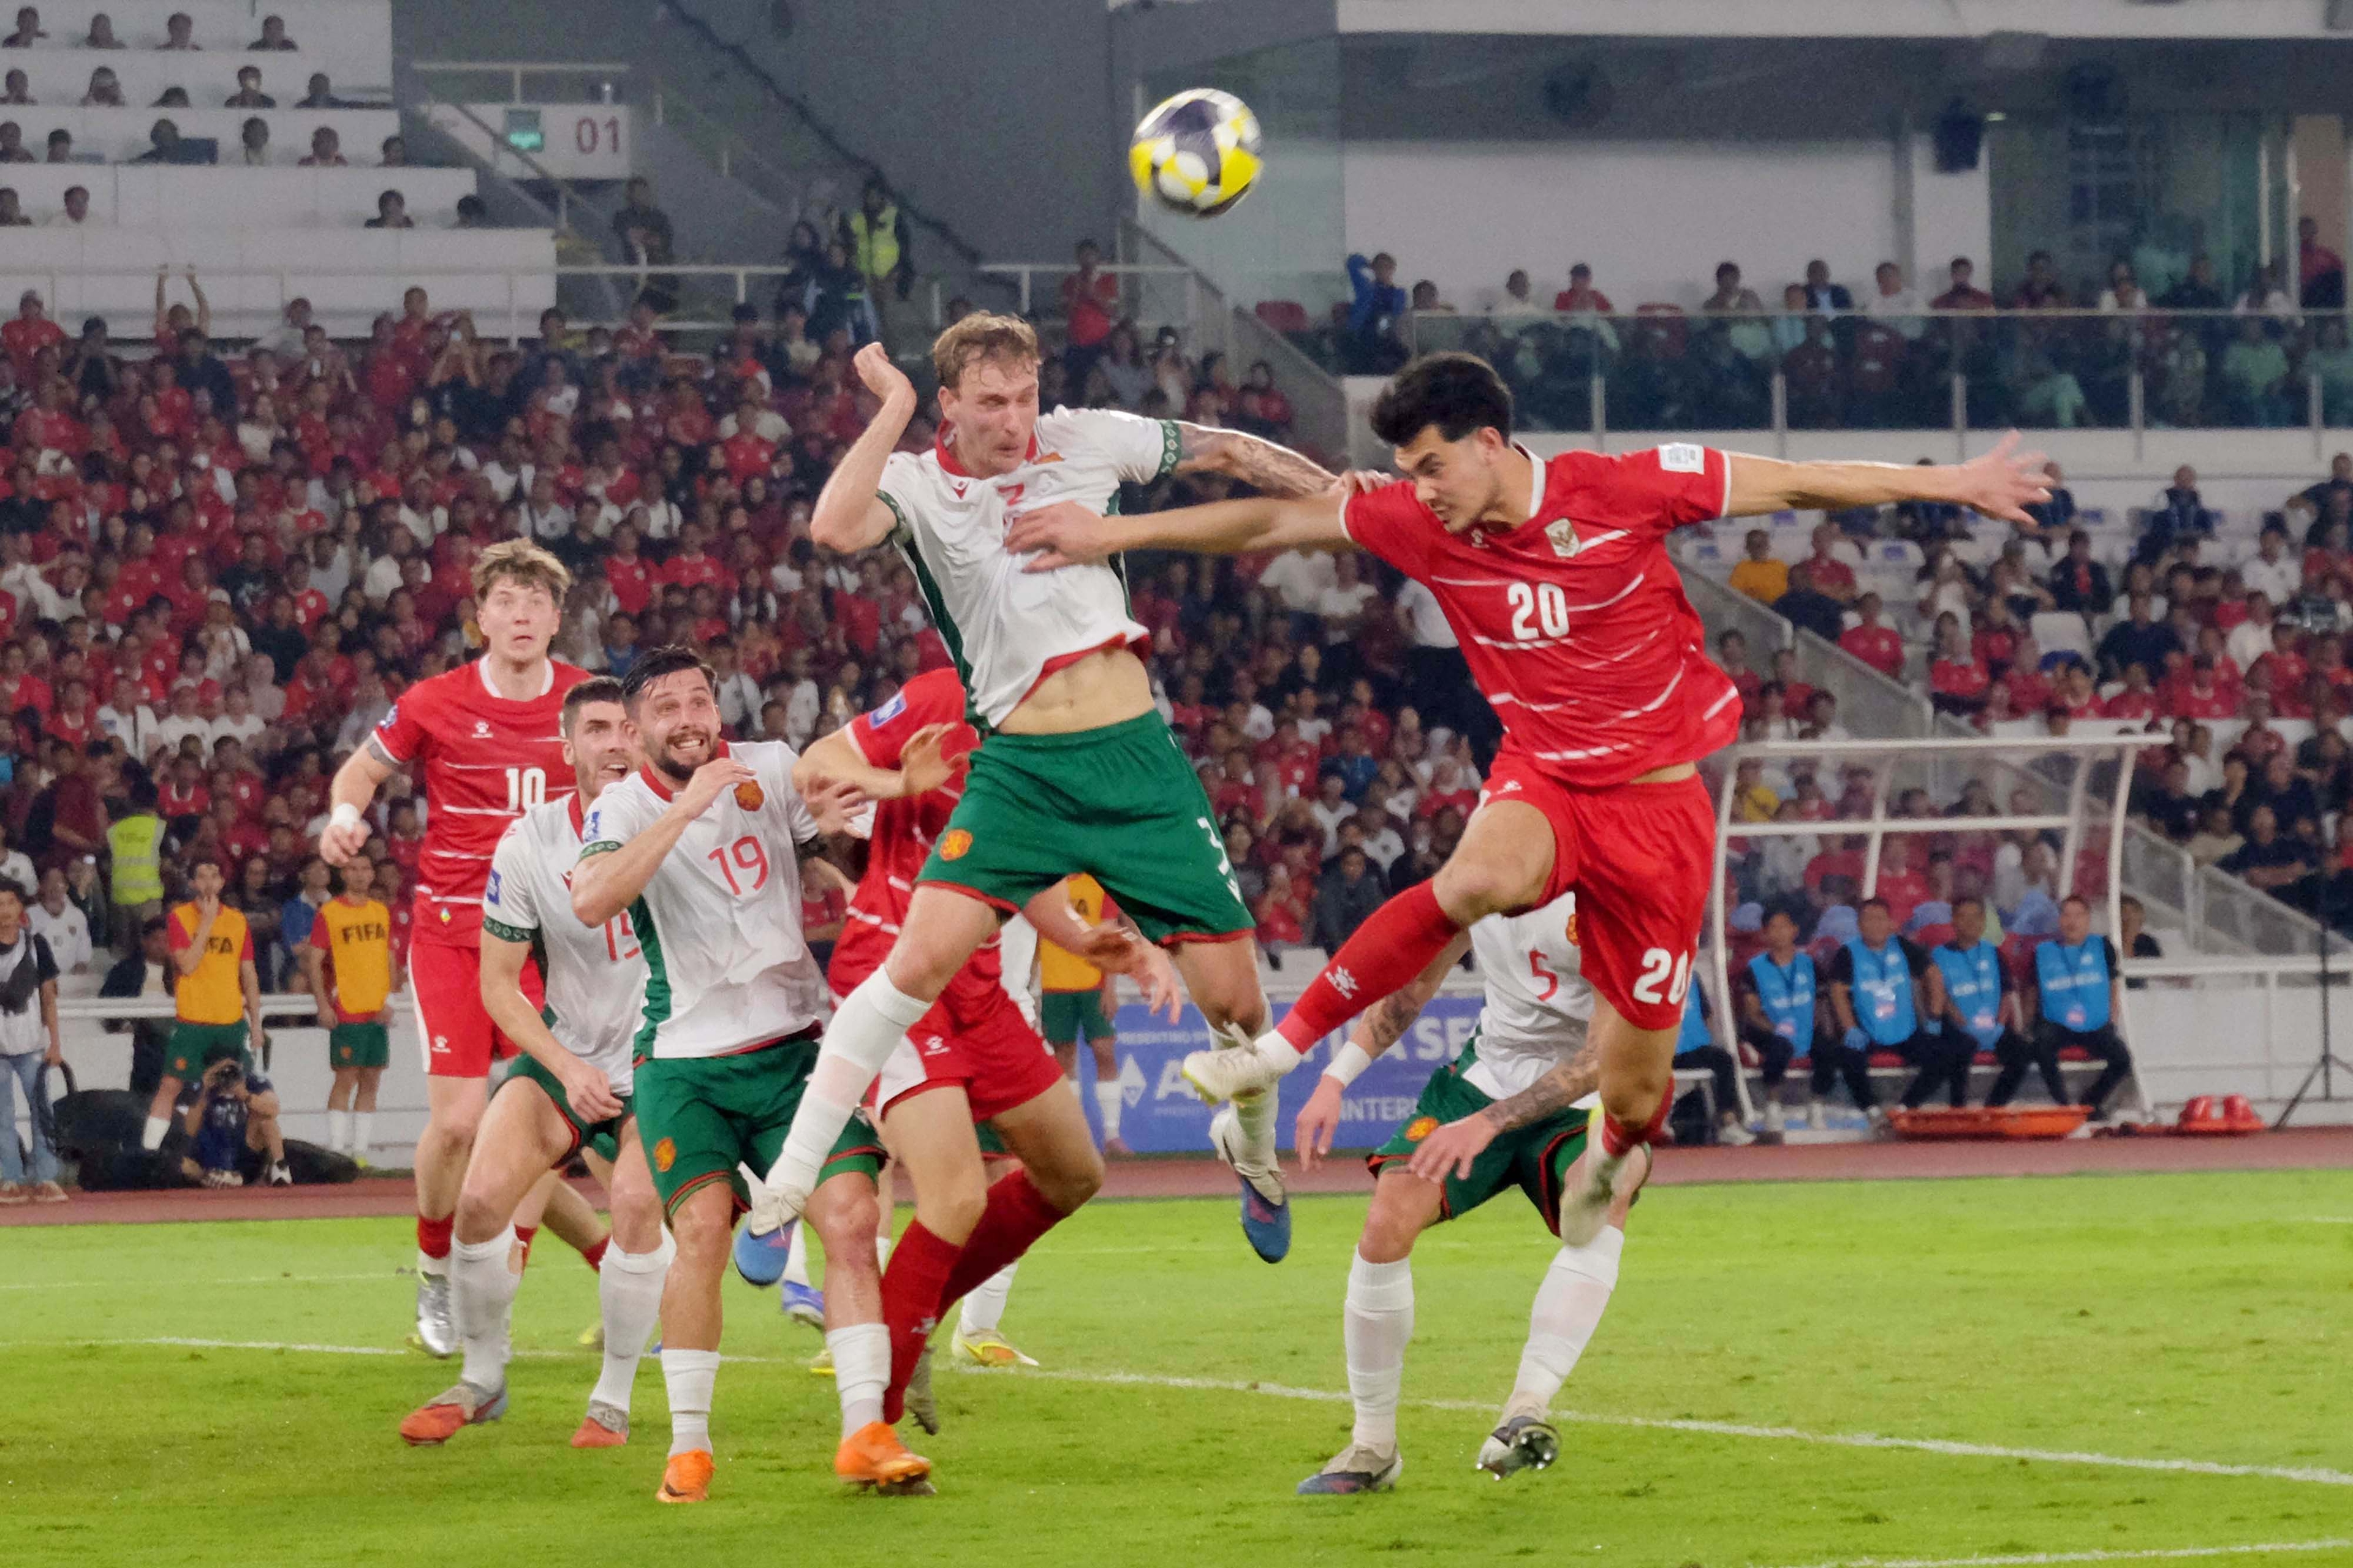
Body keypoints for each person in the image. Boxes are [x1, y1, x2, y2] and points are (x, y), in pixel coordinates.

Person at [1003, 350, 2045, 1242]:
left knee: (1634, 1095)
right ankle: (1275, 1052)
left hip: (1660, 805)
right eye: (1407, 468)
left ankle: (1613, 1158)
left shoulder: (1625, 486)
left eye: (1433, 463)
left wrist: (1954, 481)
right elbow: (1275, 519)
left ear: (1491, 441)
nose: (1419, 486)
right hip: (1546, 774)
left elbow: (1801, 484)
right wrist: (1111, 536)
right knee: (1471, 882)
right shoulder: (1420, 519)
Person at [753, 316, 1339, 1267]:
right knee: (915, 962)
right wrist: (890, 407)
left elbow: (1228, 449)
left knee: (1238, 1005)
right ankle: (789, 1178)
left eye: (1024, 396)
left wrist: (1340, 490)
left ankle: (1255, 1150)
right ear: (947, 403)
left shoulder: (1084, 436)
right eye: (990, 402)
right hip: (1022, 764)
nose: (1015, 420)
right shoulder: (916, 484)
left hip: (1135, 756)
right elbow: (831, 527)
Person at [782, 667, 1175, 1428]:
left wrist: (1101, 944)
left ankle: (918, 1313)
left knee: (1072, 1172)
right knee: (955, 1195)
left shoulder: (1070, 741)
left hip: (980, 987)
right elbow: (815, 765)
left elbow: (1019, 874)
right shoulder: (942, 696)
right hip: (893, 973)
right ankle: (875, 1427)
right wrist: (898, 783)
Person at [567, 647, 908, 1501]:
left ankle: (865, 1428)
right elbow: (592, 898)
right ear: (638, 727)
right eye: (666, 706)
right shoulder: (620, 803)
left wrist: (846, 821)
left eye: (699, 699)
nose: (688, 716)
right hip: (686, 1064)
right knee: (705, 1236)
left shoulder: (768, 766)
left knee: (854, 1216)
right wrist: (683, 810)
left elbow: (841, 855)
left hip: (796, 1047)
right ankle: (689, 1445)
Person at [318, 540, 588, 1361]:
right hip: (454, 934)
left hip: (553, 941)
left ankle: (509, 1277)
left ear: (555, 617)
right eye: (506, 600)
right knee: (460, 1125)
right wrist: (342, 816)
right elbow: (360, 773)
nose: (521, 615)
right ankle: (437, 1270)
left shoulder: (589, 700)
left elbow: (650, 775)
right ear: (481, 617)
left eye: (535, 602)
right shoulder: (435, 700)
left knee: (552, 1125)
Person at [1289, 890, 1648, 1493]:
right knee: (1386, 1223)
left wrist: (1491, 1124)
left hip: (1579, 1102)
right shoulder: (1489, 872)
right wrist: (1335, 1078)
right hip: (1478, 1084)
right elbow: (1410, 990)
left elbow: (1597, 1058)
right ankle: (1372, 1447)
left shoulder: (1615, 896)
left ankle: (1525, 1409)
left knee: (1610, 1185)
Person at [398, 677, 670, 1453]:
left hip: (663, 1059)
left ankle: (612, 1398)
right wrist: (562, 1063)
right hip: (566, 1051)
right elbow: (495, 984)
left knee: (638, 1205)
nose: (615, 743)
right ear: (568, 748)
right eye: (596, 730)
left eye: (626, 728)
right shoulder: (528, 843)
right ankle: (483, 1381)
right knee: (480, 1200)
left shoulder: (686, 825)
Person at [139, 855, 267, 1157]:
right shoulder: (179, 917)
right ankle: (148, 1155)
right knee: (171, 1085)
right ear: (194, 884)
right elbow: (187, 964)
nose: (209, 882)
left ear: (222, 882)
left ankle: (239, 1156)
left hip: (230, 1018)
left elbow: (248, 973)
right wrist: (208, 921)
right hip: (193, 1019)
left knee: (240, 1089)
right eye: (202, 875)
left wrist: (257, 1023)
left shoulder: (237, 920)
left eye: (214, 875)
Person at [1826, 896, 1967, 1115]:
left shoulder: (1901, 946)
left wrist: (1935, 1016)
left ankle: (1905, 1108)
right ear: (1859, 925)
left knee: (1945, 1056)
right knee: (1849, 1058)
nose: (1875, 925)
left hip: (1905, 1030)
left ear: (1891, 923)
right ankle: (1871, 1110)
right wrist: (1849, 1028)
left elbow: (1933, 974)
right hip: (1867, 1030)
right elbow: (1837, 992)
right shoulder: (1847, 953)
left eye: (1880, 919)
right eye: (1868, 919)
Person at [1033, 873, 1133, 1156]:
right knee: (1064, 1058)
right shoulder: (1046, 884)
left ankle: (1112, 1133)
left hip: (1093, 983)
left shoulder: (1097, 884)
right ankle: (1075, 1136)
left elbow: (1110, 938)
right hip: (1054, 984)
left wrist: (1110, 988)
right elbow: (1036, 940)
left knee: (1104, 1050)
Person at [303, 853, 392, 1164]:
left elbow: (387, 959)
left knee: (371, 1081)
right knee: (346, 1079)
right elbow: (314, 962)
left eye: (366, 869)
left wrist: (388, 999)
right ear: (343, 874)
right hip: (347, 1007)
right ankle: (338, 1150)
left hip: (376, 1009)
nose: (360, 875)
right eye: (353, 869)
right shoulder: (330, 913)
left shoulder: (381, 912)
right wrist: (323, 1004)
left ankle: (361, 1152)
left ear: (372, 874)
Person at [1934, 895, 2050, 1108]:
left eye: (1976, 917)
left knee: (2022, 1054)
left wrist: (2000, 1022)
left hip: (1993, 1026)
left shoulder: (1994, 953)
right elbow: (1936, 994)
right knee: (1960, 1048)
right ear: (1953, 920)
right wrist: (1953, 1014)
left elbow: (2007, 993)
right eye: (1964, 917)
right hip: (1957, 1026)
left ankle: (1993, 1108)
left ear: (1984, 922)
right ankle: (1957, 1110)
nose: (1970, 923)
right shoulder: (1938, 956)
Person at [2029, 895, 2135, 1118]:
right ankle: (2064, 1106)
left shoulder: (2103, 947)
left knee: (2122, 1059)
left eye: (2078, 916)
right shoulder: (2043, 952)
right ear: (2059, 920)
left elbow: (2113, 984)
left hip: (2096, 1023)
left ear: (2088, 920)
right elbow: (2032, 991)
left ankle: (2091, 1102)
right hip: (2056, 1022)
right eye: (2066, 915)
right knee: (2041, 1047)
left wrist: (2112, 1020)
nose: (2072, 921)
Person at [0, 877, 64, 1205]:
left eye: (10, 904)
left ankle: (46, 1177)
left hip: (31, 1045)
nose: (4, 912)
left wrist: (55, 1043)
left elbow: (49, 998)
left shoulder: (36, 946)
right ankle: (9, 1178)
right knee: (1, 1115)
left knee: (42, 1112)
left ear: (20, 907)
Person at [1727, 907, 1811, 1136]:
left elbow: (1822, 1003)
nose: (1779, 933)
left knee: (1830, 1046)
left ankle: (1817, 1104)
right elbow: (1752, 1012)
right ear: (1765, 934)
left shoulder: (1809, 965)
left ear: (1795, 930)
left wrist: (1815, 1029)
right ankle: (1773, 1106)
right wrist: (1777, 1029)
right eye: (1773, 928)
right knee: (1780, 1045)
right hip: (1765, 1028)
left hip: (1803, 1028)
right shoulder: (1754, 969)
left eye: (1784, 926)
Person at [177, 1056, 288, 1188]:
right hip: (210, 1147)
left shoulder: (254, 1082)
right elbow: (189, 1130)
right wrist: (203, 1090)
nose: (227, 1078)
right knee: (179, 1159)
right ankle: (210, 1177)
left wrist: (245, 1096)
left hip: (244, 1147)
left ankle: (280, 1169)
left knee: (266, 1119)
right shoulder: (201, 1085)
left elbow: (273, 1109)